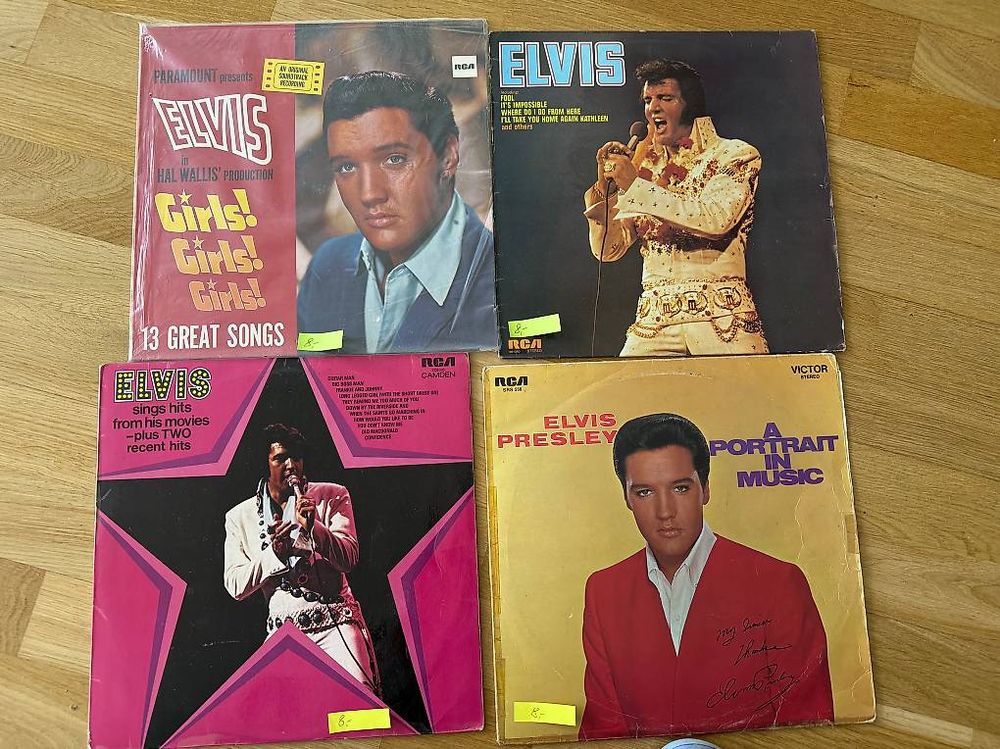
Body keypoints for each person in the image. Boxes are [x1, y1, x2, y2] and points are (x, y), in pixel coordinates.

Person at [580, 413, 833, 739]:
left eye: (680, 488)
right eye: (644, 492)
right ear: (626, 498)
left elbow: (808, 731)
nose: (665, 511)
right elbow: (602, 732)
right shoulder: (603, 591)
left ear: (706, 489)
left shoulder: (779, 583)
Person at [297, 71, 497, 354]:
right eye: (346, 167)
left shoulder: (501, 278)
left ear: (448, 156)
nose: (369, 194)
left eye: (394, 159)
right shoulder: (327, 267)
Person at [585, 59, 768, 357]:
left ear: (689, 105)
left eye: (665, 98)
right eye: (648, 100)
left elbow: (716, 219)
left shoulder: (734, 154)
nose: (653, 108)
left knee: (740, 390)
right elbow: (608, 251)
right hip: (653, 324)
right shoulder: (644, 168)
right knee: (623, 388)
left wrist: (634, 186)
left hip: (723, 321)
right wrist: (606, 191)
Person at [223, 423, 380, 694]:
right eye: (281, 458)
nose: (291, 465)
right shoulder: (239, 516)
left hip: (337, 628)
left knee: (361, 706)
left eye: (296, 457)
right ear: (264, 464)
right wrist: (275, 554)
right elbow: (235, 585)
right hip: (283, 636)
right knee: (284, 713)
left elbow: (349, 559)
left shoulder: (332, 495)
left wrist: (314, 528)